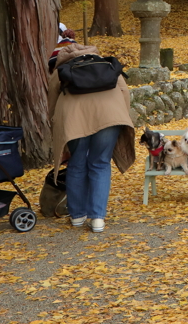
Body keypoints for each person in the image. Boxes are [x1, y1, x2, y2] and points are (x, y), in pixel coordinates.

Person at [47, 43, 135, 233]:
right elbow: (124, 92)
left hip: (74, 120)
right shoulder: (105, 64)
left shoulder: (60, 71)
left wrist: (55, 123)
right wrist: (120, 116)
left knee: (77, 163)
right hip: (110, 118)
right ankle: (97, 219)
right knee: (100, 163)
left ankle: (77, 215)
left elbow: (52, 105)